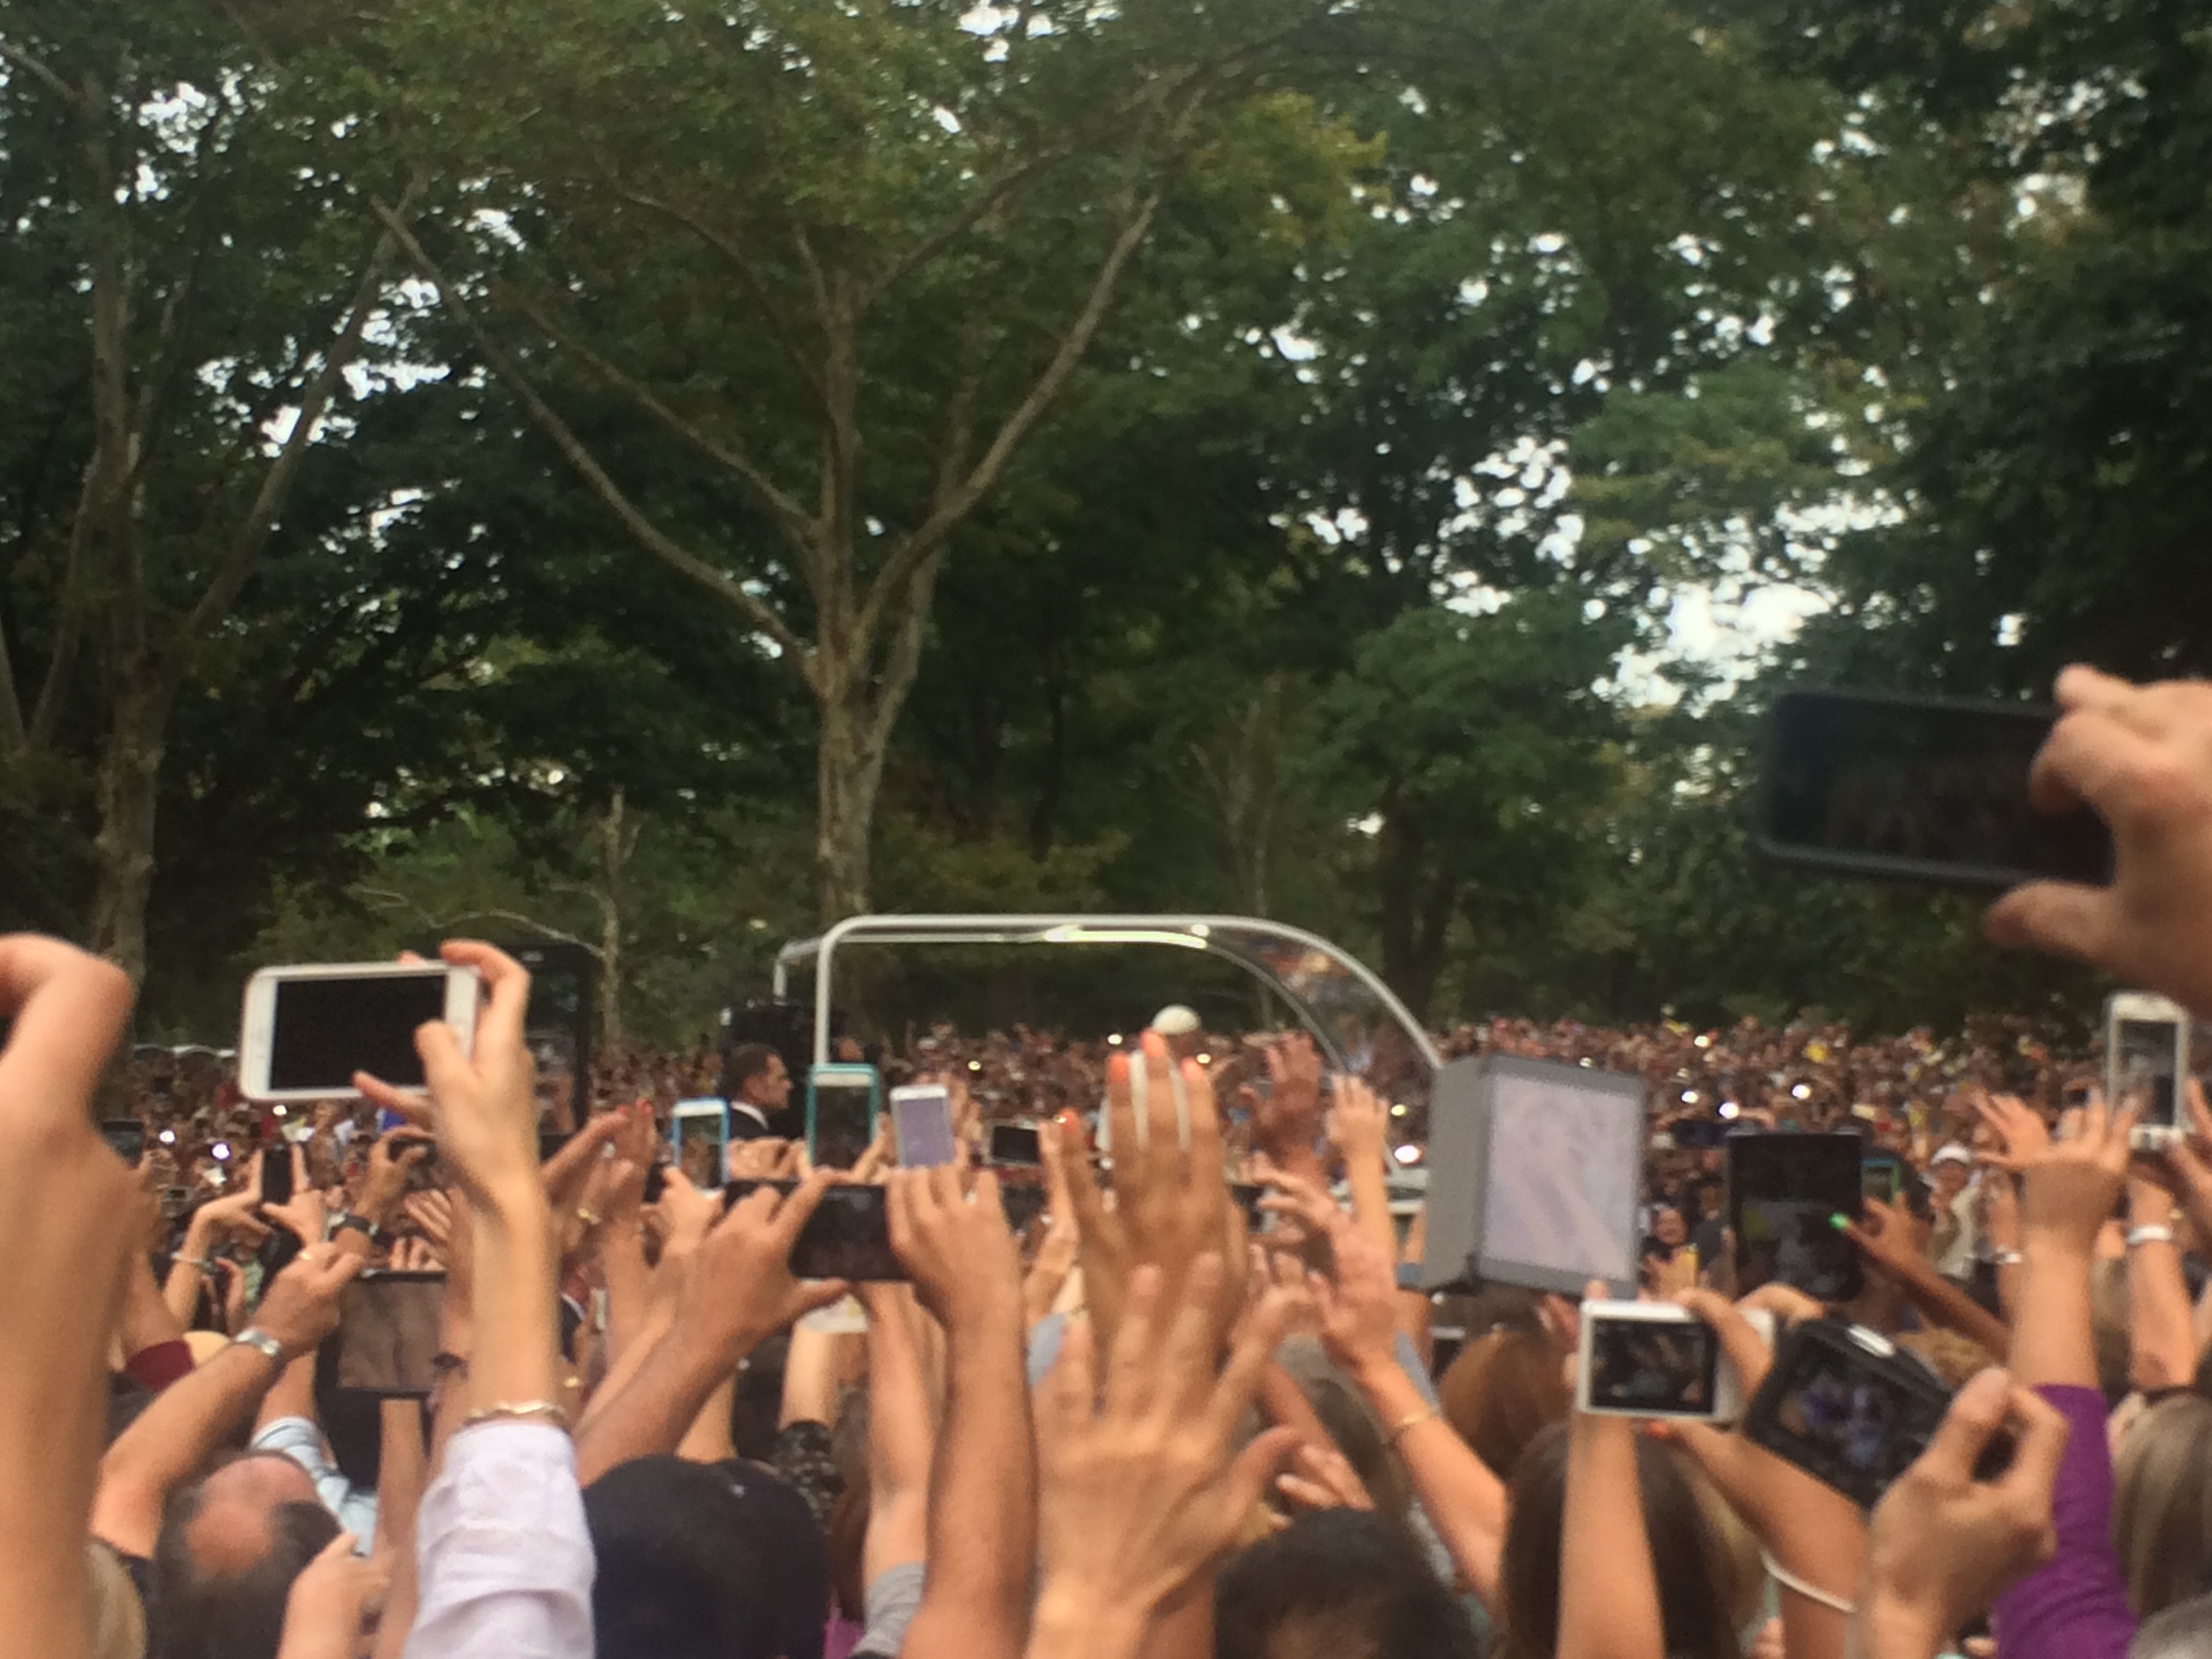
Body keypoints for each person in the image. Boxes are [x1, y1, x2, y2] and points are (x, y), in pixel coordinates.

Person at [723, 1044, 798, 1141]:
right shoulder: (753, 1140)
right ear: (754, 1086)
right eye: (781, 1079)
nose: (789, 1086)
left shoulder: (723, 1130)